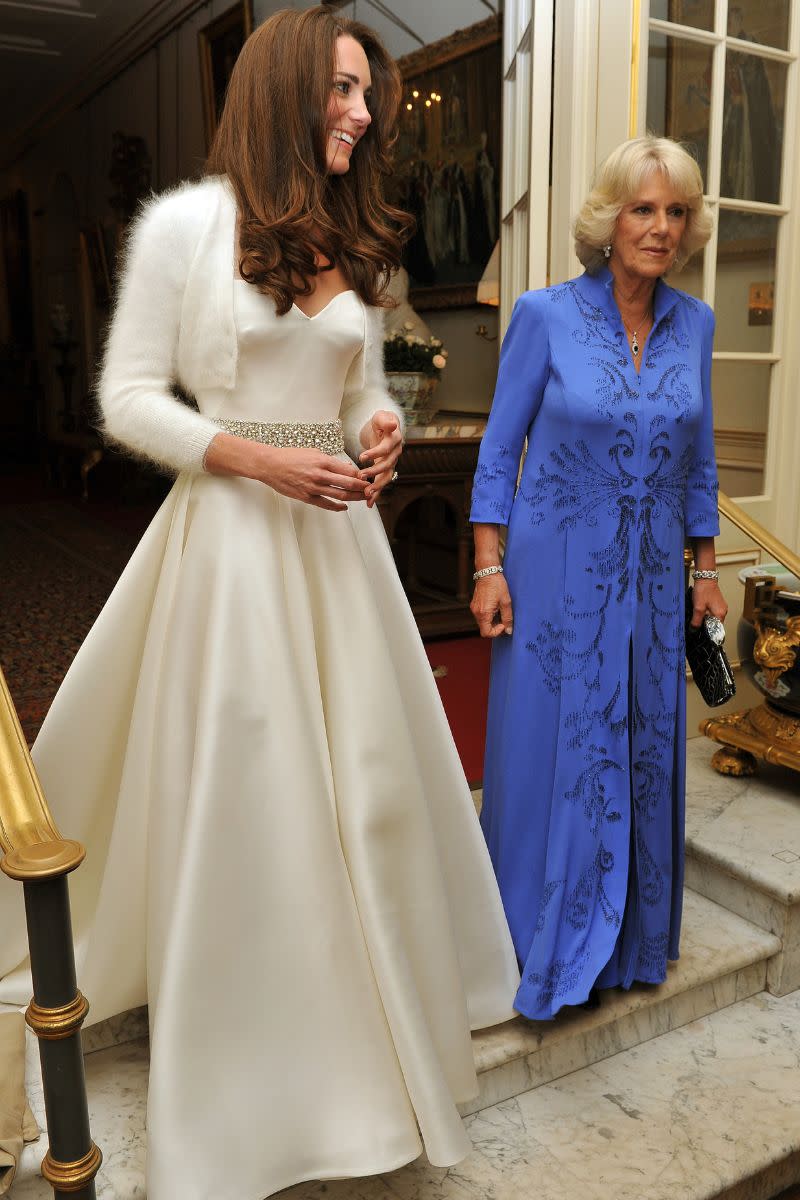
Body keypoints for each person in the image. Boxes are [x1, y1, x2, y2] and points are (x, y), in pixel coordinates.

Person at [0, 9, 520, 1198]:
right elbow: (128, 402)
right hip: (233, 547)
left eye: (368, 98)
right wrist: (261, 459)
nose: (360, 115)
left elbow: (353, 393)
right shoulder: (187, 224)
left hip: (337, 555)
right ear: (284, 88)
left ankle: (375, 1033)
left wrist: (374, 429)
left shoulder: (347, 232)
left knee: (371, 791)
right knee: (257, 789)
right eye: (343, 91)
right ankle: (258, 1076)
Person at [469, 136, 727, 1022]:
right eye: (642, 208)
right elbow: (499, 452)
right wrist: (489, 566)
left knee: (644, 747)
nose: (660, 228)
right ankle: (539, 936)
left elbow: (700, 462)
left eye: (676, 212)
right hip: (555, 574)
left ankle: (628, 943)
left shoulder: (695, 325)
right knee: (555, 751)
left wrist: (706, 571)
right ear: (609, 220)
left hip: (656, 581)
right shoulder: (543, 316)